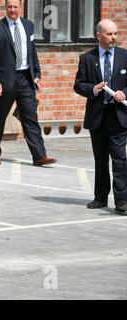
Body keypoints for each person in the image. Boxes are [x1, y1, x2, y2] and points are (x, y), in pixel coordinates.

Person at [0, 0, 56, 166]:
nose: (12, 10)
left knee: (30, 116)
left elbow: (32, 50)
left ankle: (39, 155)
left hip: (26, 78)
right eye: (9, 7)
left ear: (20, 8)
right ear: (5, 7)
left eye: (15, 7)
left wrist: (37, 73)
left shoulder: (28, 25)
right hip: (5, 81)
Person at [74, 19, 127, 215]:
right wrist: (93, 89)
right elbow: (79, 85)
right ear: (99, 36)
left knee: (120, 158)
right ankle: (100, 197)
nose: (114, 37)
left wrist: (124, 92)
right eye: (109, 34)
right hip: (98, 116)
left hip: (119, 115)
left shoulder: (124, 56)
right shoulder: (87, 58)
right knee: (100, 158)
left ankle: (122, 199)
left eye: (115, 34)